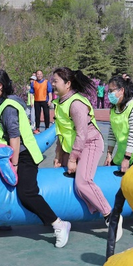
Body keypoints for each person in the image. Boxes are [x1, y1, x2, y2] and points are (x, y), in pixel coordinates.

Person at [0, 69, 71, 247]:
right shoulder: (2, 104)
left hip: (24, 156)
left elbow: (15, 137)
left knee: (26, 193)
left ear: (0, 86)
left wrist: (14, 165)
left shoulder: (8, 107)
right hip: (11, 155)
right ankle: (2, 221)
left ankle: (59, 224)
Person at [52, 67, 118, 234]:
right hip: (74, 145)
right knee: (65, 178)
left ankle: (110, 215)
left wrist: (73, 159)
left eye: (55, 81)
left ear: (67, 84)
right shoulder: (60, 103)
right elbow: (61, 131)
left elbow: (81, 134)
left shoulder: (76, 104)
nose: (52, 84)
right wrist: (58, 156)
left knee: (82, 182)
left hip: (90, 143)